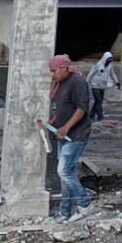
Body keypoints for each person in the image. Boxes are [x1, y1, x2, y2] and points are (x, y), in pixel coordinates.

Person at [41, 54, 94, 221]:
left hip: (76, 134)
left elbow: (81, 109)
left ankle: (85, 204)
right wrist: (51, 122)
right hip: (64, 134)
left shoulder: (78, 82)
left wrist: (65, 127)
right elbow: (62, 108)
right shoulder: (61, 83)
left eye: (54, 71)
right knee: (66, 174)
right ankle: (65, 211)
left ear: (64, 68)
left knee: (63, 171)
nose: (52, 75)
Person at [86, 51, 120, 122]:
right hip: (95, 86)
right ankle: (100, 117)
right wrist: (85, 83)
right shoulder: (97, 65)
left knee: (98, 101)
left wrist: (117, 82)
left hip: (102, 86)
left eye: (110, 59)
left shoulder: (110, 66)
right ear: (105, 58)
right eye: (108, 59)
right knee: (99, 101)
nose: (109, 61)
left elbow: (112, 74)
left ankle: (91, 115)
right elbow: (90, 74)